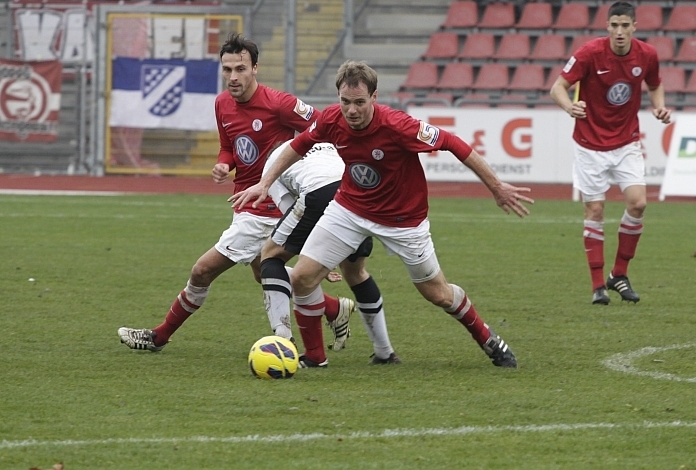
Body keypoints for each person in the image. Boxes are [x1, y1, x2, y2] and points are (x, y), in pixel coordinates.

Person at [231, 61, 532, 369]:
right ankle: (315, 357)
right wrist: (265, 183)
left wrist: (496, 187)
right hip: (349, 208)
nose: (351, 110)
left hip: (404, 219)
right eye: (345, 101)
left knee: (438, 293)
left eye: (359, 102)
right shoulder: (332, 118)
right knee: (303, 279)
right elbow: (298, 145)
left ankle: (488, 339)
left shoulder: (398, 125)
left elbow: (454, 143)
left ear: (374, 97)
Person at [117, 34, 331, 354]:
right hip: (244, 201)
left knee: (202, 270)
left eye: (240, 69)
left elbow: (325, 126)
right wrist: (223, 164)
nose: (233, 77)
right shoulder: (222, 104)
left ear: (255, 68)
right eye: (227, 69)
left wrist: (317, 171)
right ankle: (332, 308)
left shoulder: (279, 104)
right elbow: (228, 146)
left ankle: (159, 336)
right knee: (263, 272)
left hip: (268, 208)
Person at [549, 1, 671, 305]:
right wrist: (569, 107)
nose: (619, 31)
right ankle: (597, 286)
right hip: (589, 144)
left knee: (638, 203)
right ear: (607, 26)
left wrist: (659, 106)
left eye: (624, 26)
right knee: (595, 211)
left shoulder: (647, 54)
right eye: (614, 25)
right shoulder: (590, 53)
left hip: (626, 142)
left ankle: (619, 274)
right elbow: (557, 88)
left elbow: (655, 84)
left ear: (634, 27)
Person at [257, 139, 398, 365]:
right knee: (356, 272)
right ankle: (385, 352)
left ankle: (286, 341)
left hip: (320, 191)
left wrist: (316, 259)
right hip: (359, 193)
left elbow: (290, 213)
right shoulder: (325, 144)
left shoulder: (272, 166)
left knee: (271, 255)